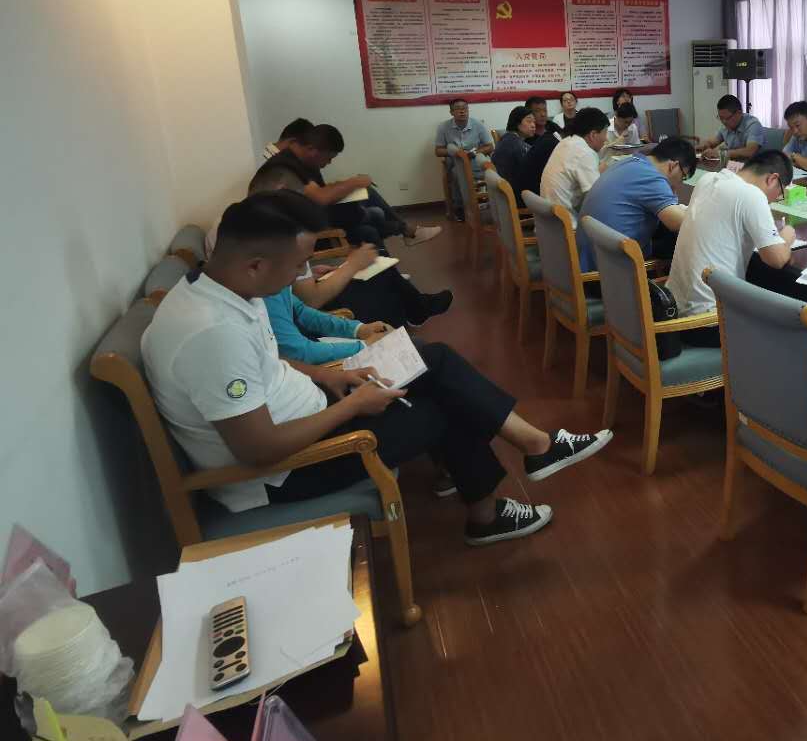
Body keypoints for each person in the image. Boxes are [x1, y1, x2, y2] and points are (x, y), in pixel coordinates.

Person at [141, 190, 613, 546]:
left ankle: (532, 452)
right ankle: (502, 495)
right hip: (287, 472)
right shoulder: (212, 334)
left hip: (311, 412)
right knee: (444, 404)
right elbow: (259, 449)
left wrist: (330, 376)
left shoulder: (217, 291)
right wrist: (354, 406)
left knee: (431, 360)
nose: (302, 277)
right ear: (255, 265)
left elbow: (268, 362)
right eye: (299, 266)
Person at [227, 163, 452, 328]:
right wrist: (351, 265)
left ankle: (415, 310)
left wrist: (314, 273)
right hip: (310, 309)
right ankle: (408, 318)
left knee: (375, 250)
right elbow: (311, 300)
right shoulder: (273, 233)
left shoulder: (243, 220)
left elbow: (294, 285)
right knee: (379, 278)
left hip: (301, 301)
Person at [666, 150, 796, 346]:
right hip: (709, 323)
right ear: (772, 179)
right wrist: (787, 235)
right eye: (780, 193)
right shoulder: (752, 195)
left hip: (674, 312)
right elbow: (776, 259)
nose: (774, 199)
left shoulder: (708, 180)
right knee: (784, 326)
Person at [262, 125, 442, 249]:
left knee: (371, 223)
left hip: (311, 221)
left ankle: (391, 269)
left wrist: (347, 183)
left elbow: (316, 191)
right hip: (300, 232)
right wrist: (355, 182)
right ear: (313, 150)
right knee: (373, 214)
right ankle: (406, 233)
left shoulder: (299, 162)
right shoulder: (286, 166)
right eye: (329, 158)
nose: (328, 163)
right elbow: (321, 198)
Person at [576, 138, 694, 270]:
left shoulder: (629, 162)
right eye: (683, 176)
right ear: (674, 166)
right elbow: (679, 223)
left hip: (590, 255)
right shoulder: (652, 178)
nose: (680, 182)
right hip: (612, 264)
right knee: (683, 241)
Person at [540, 107, 609, 218]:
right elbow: (597, 199)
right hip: (566, 224)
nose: (606, 139)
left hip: (548, 220)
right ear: (593, 135)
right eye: (605, 133)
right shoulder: (585, 153)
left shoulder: (565, 142)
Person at [434, 99, 494, 222]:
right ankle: (460, 208)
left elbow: (489, 146)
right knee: (457, 174)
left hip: (475, 160)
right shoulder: (443, 127)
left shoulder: (477, 125)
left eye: (465, 108)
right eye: (458, 109)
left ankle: (491, 205)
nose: (462, 111)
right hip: (456, 162)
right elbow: (438, 151)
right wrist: (457, 153)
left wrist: (474, 153)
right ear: (451, 112)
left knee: (492, 173)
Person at [696, 95, 766, 161]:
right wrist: (705, 145)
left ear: (739, 113)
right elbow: (712, 142)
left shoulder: (753, 125)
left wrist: (721, 154)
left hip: (755, 166)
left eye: (727, 118)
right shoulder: (726, 125)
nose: (724, 122)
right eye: (721, 118)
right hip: (734, 165)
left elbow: (749, 152)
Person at [492, 105, 536, 190]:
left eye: (534, 122)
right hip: (514, 191)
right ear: (517, 123)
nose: (533, 125)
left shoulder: (507, 138)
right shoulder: (516, 145)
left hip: (505, 189)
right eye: (529, 121)